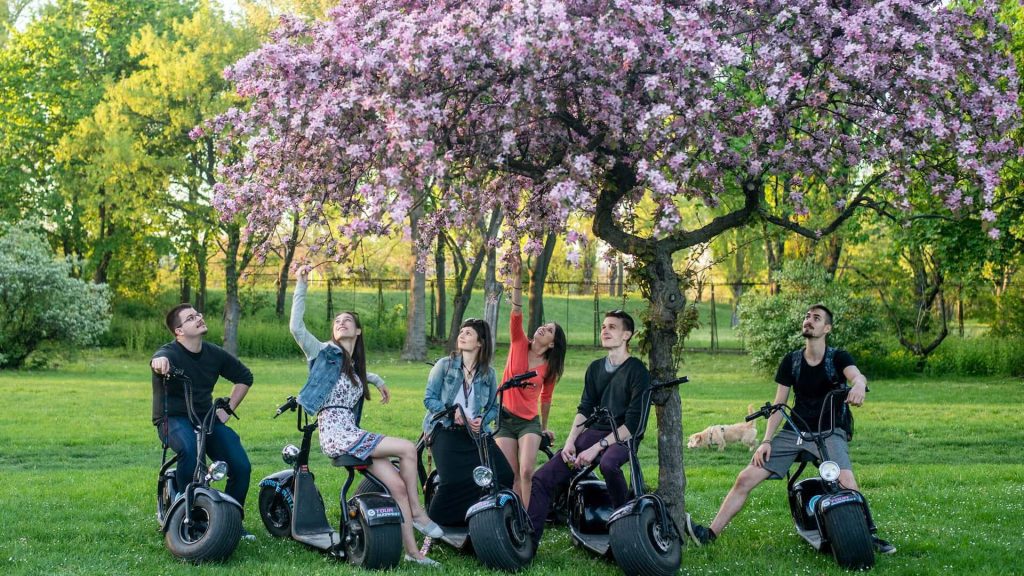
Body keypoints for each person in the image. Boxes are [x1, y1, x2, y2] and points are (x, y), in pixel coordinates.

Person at [685, 304, 896, 555]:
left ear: (826, 328)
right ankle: (710, 534)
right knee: (745, 477)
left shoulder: (838, 357)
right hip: (795, 431)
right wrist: (766, 441)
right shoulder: (792, 361)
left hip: (829, 431)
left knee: (847, 482)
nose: (809, 321)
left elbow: (857, 376)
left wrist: (859, 386)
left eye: (816, 318)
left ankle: (868, 535)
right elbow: (779, 404)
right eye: (807, 317)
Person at [290, 266, 442, 567]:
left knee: (397, 485)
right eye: (337, 321)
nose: (341, 323)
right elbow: (296, 328)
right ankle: (417, 512)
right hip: (336, 435)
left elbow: (359, 373)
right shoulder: (321, 353)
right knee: (408, 448)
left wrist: (377, 379)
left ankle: (413, 553)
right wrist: (301, 283)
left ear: (357, 331)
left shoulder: (355, 368)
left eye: (347, 321)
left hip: (352, 433)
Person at [526, 310, 651, 547]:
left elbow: (634, 425)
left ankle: (627, 531)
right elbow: (584, 408)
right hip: (594, 432)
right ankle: (528, 542)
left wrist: (596, 449)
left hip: (623, 436)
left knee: (608, 464)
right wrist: (572, 441)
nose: (605, 330)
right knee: (541, 478)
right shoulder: (595, 368)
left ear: (627, 335)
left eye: (612, 327)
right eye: (604, 326)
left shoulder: (637, 371)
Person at [150, 304, 256, 540]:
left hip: (206, 418)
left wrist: (228, 408)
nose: (199, 318)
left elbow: (245, 377)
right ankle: (186, 513)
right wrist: (159, 364)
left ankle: (232, 523)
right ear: (179, 331)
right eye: (191, 318)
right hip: (172, 419)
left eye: (198, 314)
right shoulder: (169, 352)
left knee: (240, 466)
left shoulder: (213, 353)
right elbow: (158, 359)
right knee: (190, 448)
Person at [422, 318, 514, 527]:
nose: (461, 335)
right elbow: (429, 399)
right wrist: (451, 414)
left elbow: (494, 407)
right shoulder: (444, 365)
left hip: (474, 433)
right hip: (444, 428)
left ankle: (481, 518)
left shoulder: (488, 373)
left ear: (480, 342)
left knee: (504, 474)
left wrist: (483, 419)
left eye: (468, 333)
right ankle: (437, 523)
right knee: (453, 480)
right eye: (461, 332)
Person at [495, 251, 566, 509]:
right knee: (511, 475)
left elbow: (546, 398)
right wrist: (517, 279)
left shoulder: (549, 368)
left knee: (526, 472)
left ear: (552, 343)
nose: (542, 329)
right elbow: (516, 312)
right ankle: (512, 518)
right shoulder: (518, 342)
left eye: (549, 330)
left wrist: (544, 426)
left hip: (529, 423)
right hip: (504, 420)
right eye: (543, 326)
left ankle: (528, 519)